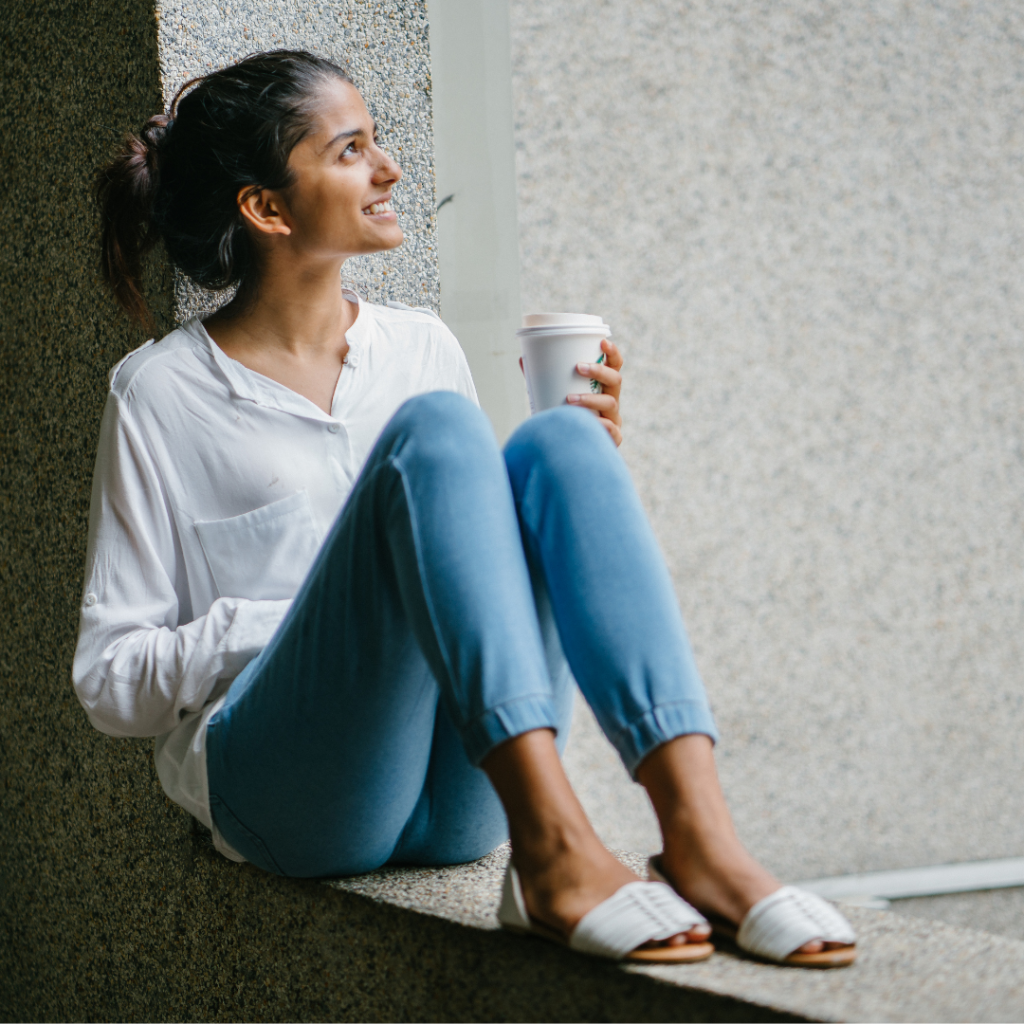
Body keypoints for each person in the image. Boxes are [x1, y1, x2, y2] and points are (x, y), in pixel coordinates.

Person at [75, 49, 856, 968]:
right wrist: (294, 623)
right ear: (268, 208)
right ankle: (560, 850)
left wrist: (573, 493)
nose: (390, 168)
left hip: (461, 797)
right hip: (294, 797)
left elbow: (468, 578)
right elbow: (106, 681)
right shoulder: (161, 394)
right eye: (352, 149)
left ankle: (699, 837)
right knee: (440, 433)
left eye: (380, 141)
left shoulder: (420, 345)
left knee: (561, 444)